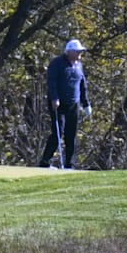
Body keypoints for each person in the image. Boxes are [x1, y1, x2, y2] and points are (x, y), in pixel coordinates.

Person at [39, 39, 92, 168]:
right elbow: (52, 82)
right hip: (58, 104)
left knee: (71, 134)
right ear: (69, 51)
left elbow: (82, 85)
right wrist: (54, 98)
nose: (80, 53)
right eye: (78, 51)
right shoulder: (57, 63)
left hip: (74, 104)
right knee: (58, 132)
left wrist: (86, 104)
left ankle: (70, 165)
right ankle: (45, 162)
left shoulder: (78, 65)